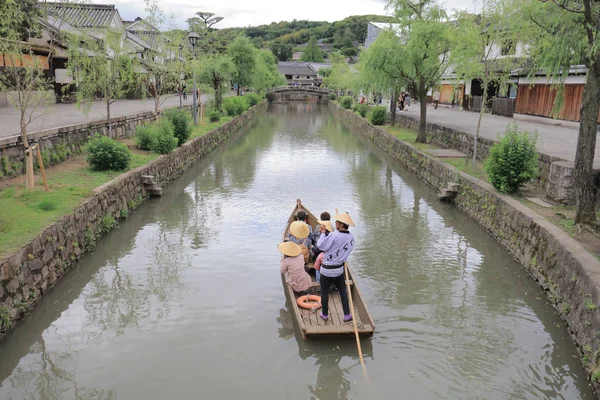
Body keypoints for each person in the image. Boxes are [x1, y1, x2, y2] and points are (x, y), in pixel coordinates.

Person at [316, 212, 356, 322]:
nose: (335, 223)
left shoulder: (334, 235)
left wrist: (323, 233)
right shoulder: (352, 238)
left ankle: (324, 314)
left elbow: (321, 246)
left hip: (326, 271)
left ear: (339, 224)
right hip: (339, 270)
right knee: (343, 292)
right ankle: (347, 314)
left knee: (324, 292)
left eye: (336, 222)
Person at [313, 220, 333, 284]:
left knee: (317, 270)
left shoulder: (320, 255)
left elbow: (316, 267)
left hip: (323, 268)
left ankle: (318, 282)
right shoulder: (333, 237)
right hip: (332, 269)